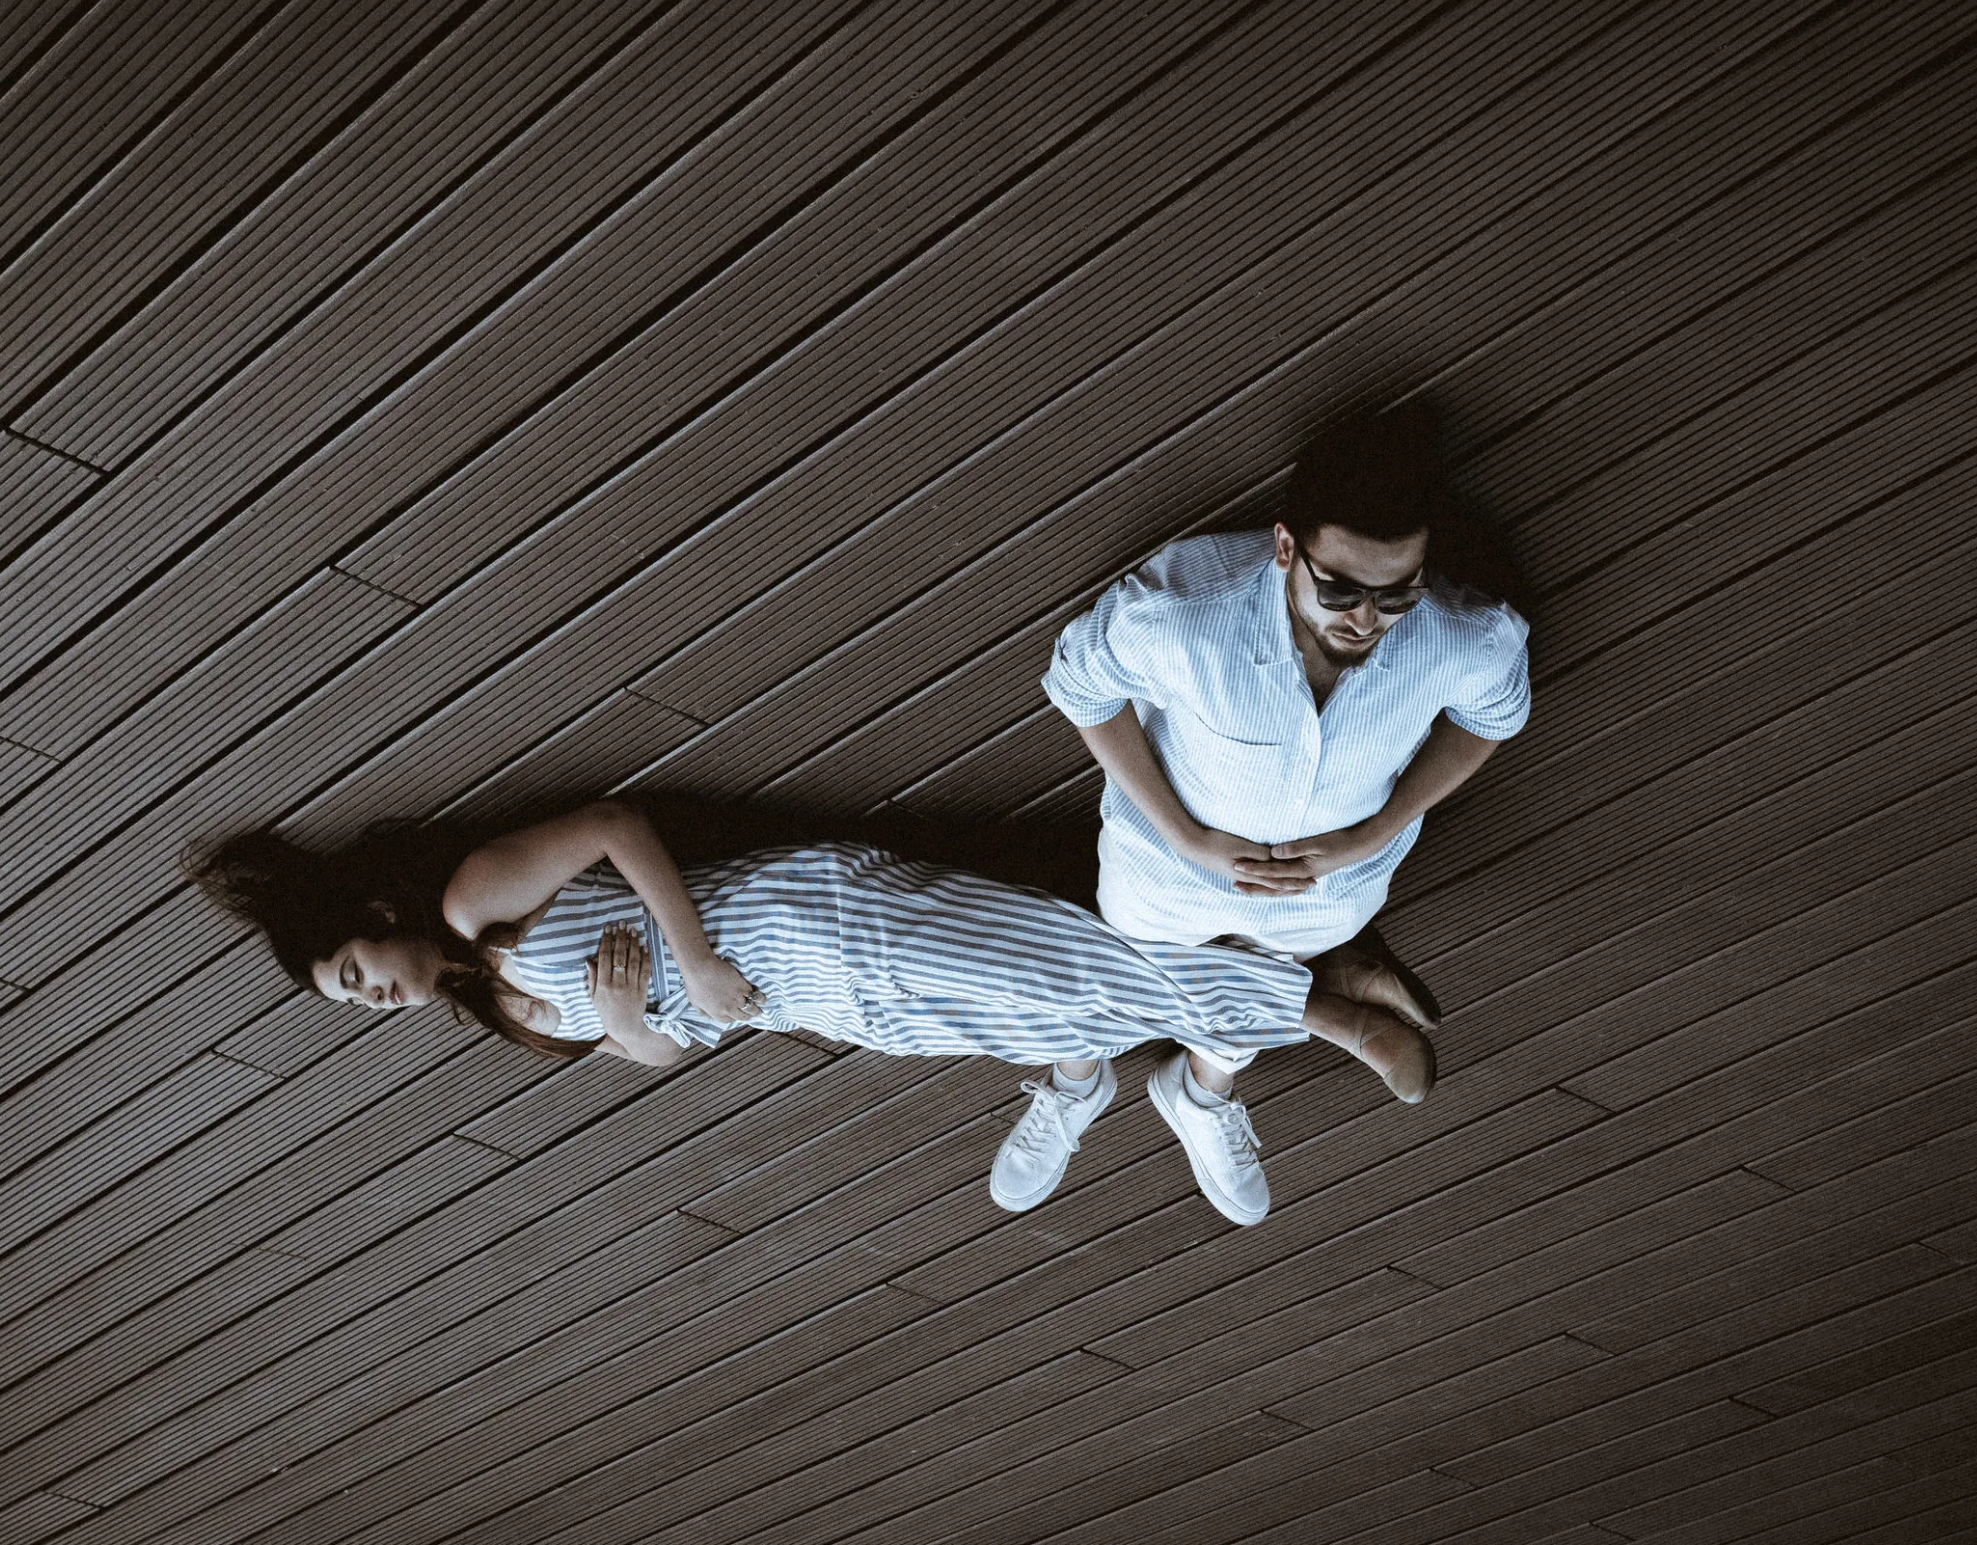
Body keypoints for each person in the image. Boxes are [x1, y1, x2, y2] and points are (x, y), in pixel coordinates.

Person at [182, 798, 1403, 1220]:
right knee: (1020, 1003)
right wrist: (629, 1025)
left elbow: (616, 825)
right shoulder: (503, 1006)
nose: (376, 996)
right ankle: (1121, 1074)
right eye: (356, 1003)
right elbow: (661, 1052)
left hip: (791, 921)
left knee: (1046, 968)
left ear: (371, 915)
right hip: (801, 999)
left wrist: (691, 954)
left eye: (354, 971)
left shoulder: (470, 901)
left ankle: (1316, 1003)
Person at [1010, 402, 1531, 1225]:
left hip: (1331, 893)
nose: (1366, 620)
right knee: (1113, 968)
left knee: (1264, 976)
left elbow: (1493, 715)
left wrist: (1375, 831)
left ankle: (1203, 1088)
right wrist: (1185, 835)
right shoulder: (1182, 608)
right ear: (1287, 547)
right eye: (1341, 588)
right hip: (1164, 869)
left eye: (1397, 592)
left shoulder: (1462, 634)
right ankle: (1078, 1079)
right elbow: (1080, 687)